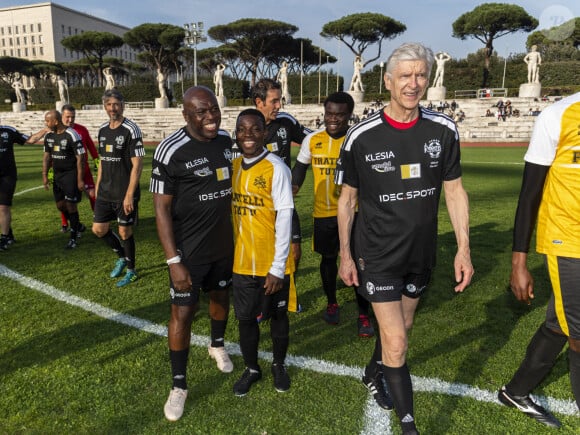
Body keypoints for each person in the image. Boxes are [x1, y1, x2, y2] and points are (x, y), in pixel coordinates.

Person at [335, 42, 474, 435]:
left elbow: (455, 192)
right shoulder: (362, 136)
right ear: (388, 80)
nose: (414, 84)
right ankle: (409, 426)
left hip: (421, 253)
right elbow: (346, 201)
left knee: (404, 327)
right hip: (376, 253)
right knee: (396, 342)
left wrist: (463, 249)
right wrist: (346, 254)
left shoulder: (443, 129)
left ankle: (372, 369)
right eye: (405, 76)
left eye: (420, 76)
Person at [151, 86, 235, 421]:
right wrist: (174, 261)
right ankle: (179, 385)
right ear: (186, 114)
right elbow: (160, 210)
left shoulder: (226, 140)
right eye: (201, 111)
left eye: (213, 108)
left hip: (225, 246)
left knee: (221, 297)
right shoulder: (171, 150)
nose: (211, 116)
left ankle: (216, 345)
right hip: (188, 253)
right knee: (182, 315)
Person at [497, 92, 580, 429]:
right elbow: (530, 193)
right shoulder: (558, 115)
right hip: (567, 240)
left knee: (562, 320)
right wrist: (519, 262)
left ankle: (515, 391)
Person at [291, 91, 374, 337]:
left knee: (360, 262)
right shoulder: (312, 140)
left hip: (355, 213)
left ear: (349, 115)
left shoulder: (357, 140)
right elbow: (300, 169)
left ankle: (363, 314)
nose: (333, 119)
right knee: (327, 259)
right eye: (329, 113)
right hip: (323, 214)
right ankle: (332, 303)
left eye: (339, 115)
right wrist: (292, 187)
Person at [231, 108, 294, 396]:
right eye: (242, 129)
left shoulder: (277, 167)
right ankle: (252, 368)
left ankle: (279, 364)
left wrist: (278, 267)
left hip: (273, 265)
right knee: (245, 319)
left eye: (255, 129)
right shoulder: (233, 166)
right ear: (235, 134)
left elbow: (284, 218)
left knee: (278, 318)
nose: (248, 135)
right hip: (242, 263)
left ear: (265, 133)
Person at [249, 78, 312, 311]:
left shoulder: (285, 122)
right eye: (274, 101)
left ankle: (286, 295)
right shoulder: (247, 126)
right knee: (261, 254)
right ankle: (262, 299)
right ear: (259, 102)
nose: (278, 106)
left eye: (279, 100)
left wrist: (296, 177)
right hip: (257, 206)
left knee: (294, 252)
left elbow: (313, 141)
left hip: (284, 203)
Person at [92, 89, 145, 287]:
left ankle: (131, 270)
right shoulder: (102, 130)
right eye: (108, 104)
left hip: (124, 193)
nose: (112, 108)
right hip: (105, 191)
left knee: (125, 232)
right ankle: (122, 257)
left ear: (122, 105)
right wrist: (98, 187)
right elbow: (102, 162)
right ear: (104, 106)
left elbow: (138, 164)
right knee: (99, 229)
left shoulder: (131, 129)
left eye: (116, 104)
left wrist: (130, 194)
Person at [41, 110, 85, 249]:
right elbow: (47, 156)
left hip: (71, 174)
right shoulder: (49, 136)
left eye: (48, 121)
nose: (46, 124)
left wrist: (80, 179)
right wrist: (44, 174)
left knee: (71, 205)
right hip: (57, 175)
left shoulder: (71, 134)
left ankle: (73, 238)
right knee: (60, 205)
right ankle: (77, 225)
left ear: (56, 121)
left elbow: (80, 158)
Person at [0, 122, 48, 250]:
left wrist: (46, 129)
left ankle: (4, 239)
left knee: (3, 206)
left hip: (7, 176)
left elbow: (30, 140)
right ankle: (9, 234)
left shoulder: (8, 131)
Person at [59, 104, 99, 233]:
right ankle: (65, 223)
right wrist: (49, 175)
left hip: (84, 171)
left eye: (73, 117)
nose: (70, 120)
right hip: (65, 173)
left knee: (93, 195)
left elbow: (92, 149)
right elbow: (51, 157)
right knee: (65, 201)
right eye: (67, 117)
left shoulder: (82, 130)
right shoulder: (56, 132)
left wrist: (98, 166)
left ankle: (98, 220)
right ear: (61, 116)